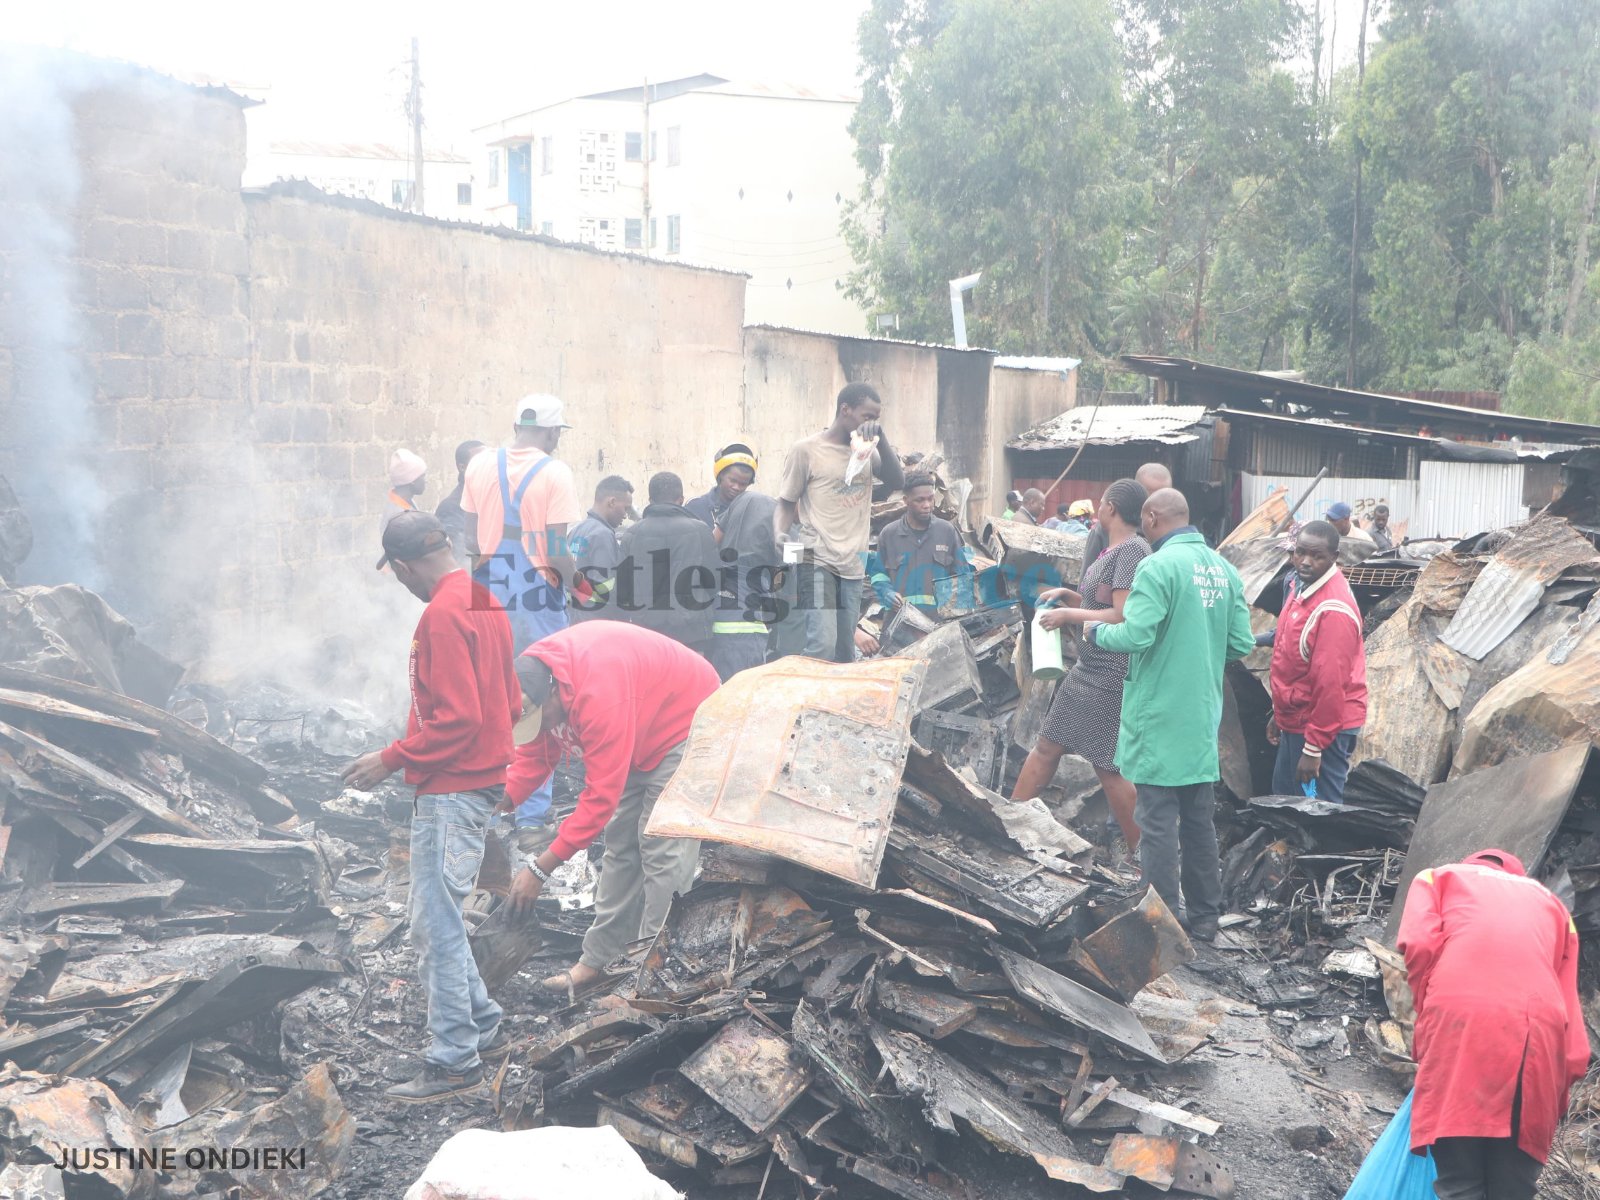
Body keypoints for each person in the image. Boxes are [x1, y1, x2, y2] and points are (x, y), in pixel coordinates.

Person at [341, 512, 520, 1103]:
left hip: (452, 789)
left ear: (401, 566)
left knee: (434, 925)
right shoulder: (481, 600)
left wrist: (391, 758)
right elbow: (512, 703)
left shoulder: (440, 615)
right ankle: (483, 1026)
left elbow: (460, 719)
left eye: (395, 574)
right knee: (438, 916)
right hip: (479, 781)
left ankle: (453, 1063)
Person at [501, 623, 720, 997]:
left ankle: (654, 972)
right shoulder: (532, 677)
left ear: (554, 693)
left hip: (688, 721)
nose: (541, 727)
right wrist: (488, 805)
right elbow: (535, 757)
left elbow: (599, 799)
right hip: (639, 721)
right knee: (621, 850)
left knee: (663, 853)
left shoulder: (598, 697)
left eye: (543, 719)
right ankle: (599, 962)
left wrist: (540, 868)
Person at [1085, 488, 1255, 941]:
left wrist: (1094, 631)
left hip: (1158, 712)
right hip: (1200, 715)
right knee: (1199, 820)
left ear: (1154, 517)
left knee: (1156, 821)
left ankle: (1160, 921)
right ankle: (1203, 917)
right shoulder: (1223, 569)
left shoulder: (1157, 567)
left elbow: (1136, 635)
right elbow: (1241, 644)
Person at [1397, 849, 1589, 1199]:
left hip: (1460, 1023)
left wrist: (1430, 1019)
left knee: (1461, 1181)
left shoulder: (1436, 877)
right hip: (1538, 1042)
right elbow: (1573, 1030)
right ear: (1519, 875)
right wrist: (1553, 1097)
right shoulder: (1554, 905)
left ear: (1472, 864)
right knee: (1512, 1187)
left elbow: (1420, 945)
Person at [461, 394, 581, 839]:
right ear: (551, 432)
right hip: (537, 596)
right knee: (538, 698)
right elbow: (556, 549)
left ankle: (483, 803)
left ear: (517, 426)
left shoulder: (477, 465)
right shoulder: (554, 472)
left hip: (487, 590)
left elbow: (472, 537)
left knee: (489, 695)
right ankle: (531, 815)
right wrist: (580, 585)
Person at [1012, 479, 1149, 852]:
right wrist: (1067, 596)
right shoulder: (1112, 550)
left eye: (1103, 502)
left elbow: (1123, 615)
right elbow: (1099, 603)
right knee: (1050, 745)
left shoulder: (1132, 552)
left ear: (1112, 509)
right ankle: (1012, 821)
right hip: (1091, 666)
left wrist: (1070, 613)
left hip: (1109, 670)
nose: (1099, 508)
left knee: (1106, 766)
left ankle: (1144, 853)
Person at [774, 383, 905, 663]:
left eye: (876, 419)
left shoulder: (867, 452)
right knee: (822, 643)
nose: (871, 424)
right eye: (867, 417)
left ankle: (832, 705)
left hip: (853, 564)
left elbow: (898, 482)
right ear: (845, 410)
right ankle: (805, 699)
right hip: (815, 557)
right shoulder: (806, 450)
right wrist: (780, 533)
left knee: (845, 651)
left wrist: (881, 438)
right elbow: (786, 502)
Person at [1264, 521, 1367, 804]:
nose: (1306, 562)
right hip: (1299, 717)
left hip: (1323, 726)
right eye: (1300, 553)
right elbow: (1291, 660)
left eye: (1317, 556)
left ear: (1334, 557)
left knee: (1316, 807)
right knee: (1286, 797)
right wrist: (1280, 712)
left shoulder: (1333, 610)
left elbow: (1331, 684)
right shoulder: (1302, 588)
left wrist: (1314, 747)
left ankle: (1315, 849)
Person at [615, 472, 720, 657]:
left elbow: (623, 589)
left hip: (647, 633)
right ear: (681, 499)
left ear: (650, 499)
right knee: (691, 684)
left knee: (656, 684)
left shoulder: (632, 535)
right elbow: (714, 581)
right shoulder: (701, 530)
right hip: (692, 633)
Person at [873, 472, 973, 616]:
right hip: (899, 625)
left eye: (930, 499)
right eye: (919, 500)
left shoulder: (947, 532)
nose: (927, 505)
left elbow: (963, 576)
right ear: (906, 500)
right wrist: (886, 593)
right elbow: (878, 574)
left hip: (938, 624)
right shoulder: (889, 535)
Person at [710, 484, 784, 680]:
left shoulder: (743, 499)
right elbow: (797, 566)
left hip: (719, 601)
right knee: (745, 684)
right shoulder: (782, 521)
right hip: (748, 616)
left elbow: (713, 539)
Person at [1082, 463, 1171, 587]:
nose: (1157, 502)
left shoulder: (1171, 533)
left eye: (1164, 495)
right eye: (1151, 496)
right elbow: (1085, 584)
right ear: (1137, 493)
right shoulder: (1105, 529)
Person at [568, 475, 634, 621]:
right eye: (626, 508)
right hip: (597, 621)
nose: (626, 515)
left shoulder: (576, 530)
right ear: (612, 502)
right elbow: (605, 588)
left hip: (576, 617)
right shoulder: (602, 535)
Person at [434, 440, 486, 565]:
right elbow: (457, 556)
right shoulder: (451, 507)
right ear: (462, 467)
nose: (487, 468)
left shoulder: (488, 498)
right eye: (480, 463)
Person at [684, 444, 757, 529]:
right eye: (733, 481)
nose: (736, 487)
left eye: (743, 484)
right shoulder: (695, 507)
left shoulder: (751, 513)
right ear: (720, 476)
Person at [382, 450, 428, 539]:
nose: (426, 481)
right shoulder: (398, 516)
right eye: (423, 476)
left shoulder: (407, 502)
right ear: (412, 480)